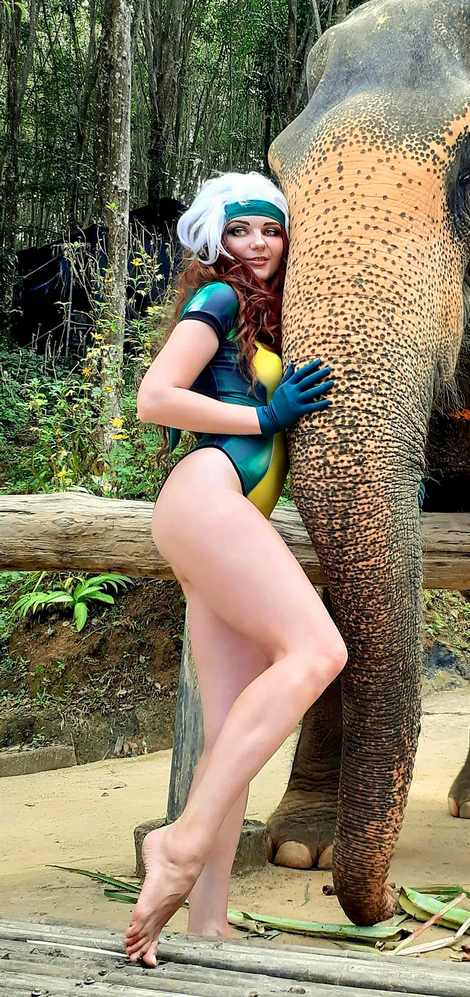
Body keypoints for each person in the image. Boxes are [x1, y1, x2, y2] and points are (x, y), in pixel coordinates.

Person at [126, 171, 346, 967]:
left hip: (228, 517)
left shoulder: (276, 316)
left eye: (272, 230)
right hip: (207, 492)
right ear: (217, 237)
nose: (257, 244)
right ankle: (178, 846)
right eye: (242, 229)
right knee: (320, 653)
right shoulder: (217, 300)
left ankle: (204, 922)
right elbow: (155, 398)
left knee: (231, 735)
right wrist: (265, 414)